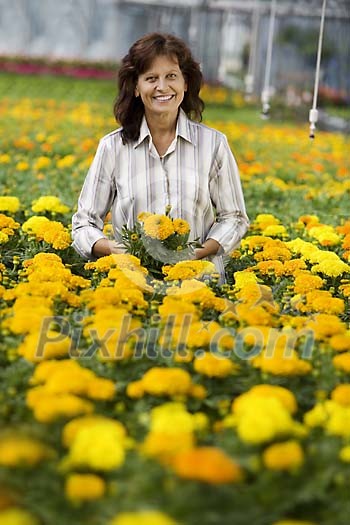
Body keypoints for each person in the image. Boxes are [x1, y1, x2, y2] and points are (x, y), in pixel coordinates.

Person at [72, 32, 249, 280]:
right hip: (132, 285)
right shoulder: (113, 147)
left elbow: (235, 218)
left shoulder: (213, 145)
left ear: (186, 83)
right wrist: (115, 249)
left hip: (199, 286)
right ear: (136, 87)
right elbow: (84, 224)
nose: (162, 87)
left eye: (171, 76)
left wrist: (197, 253)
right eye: (151, 78)